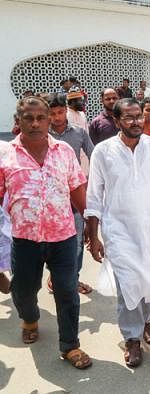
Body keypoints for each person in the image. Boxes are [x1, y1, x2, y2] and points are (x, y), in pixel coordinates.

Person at [85, 98, 150, 367]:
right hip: (119, 231)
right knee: (128, 286)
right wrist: (93, 237)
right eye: (129, 118)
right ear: (116, 121)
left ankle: (145, 322)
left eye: (139, 116)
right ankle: (132, 339)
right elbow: (94, 197)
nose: (136, 121)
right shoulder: (103, 152)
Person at [0, 96, 91, 369]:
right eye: (29, 118)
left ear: (50, 119)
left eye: (41, 117)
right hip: (24, 239)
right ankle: (30, 319)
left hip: (63, 236)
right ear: (18, 122)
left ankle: (70, 346)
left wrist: (90, 224)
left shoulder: (63, 151)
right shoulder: (5, 155)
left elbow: (76, 188)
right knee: (23, 291)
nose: (36, 123)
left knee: (67, 291)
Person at [47, 93, 94, 294]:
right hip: (49, 198)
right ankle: (55, 276)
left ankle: (73, 280)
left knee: (76, 242)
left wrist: (93, 184)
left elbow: (95, 156)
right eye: (52, 113)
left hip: (75, 195)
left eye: (60, 112)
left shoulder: (79, 133)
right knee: (51, 241)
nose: (57, 117)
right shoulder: (42, 134)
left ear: (66, 110)